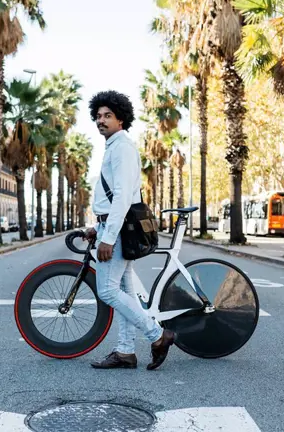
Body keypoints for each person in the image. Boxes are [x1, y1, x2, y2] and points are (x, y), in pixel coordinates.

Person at [83, 90, 175, 370]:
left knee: (108, 292)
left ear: (120, 119)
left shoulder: (121, 147)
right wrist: (97, 227)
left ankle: (158, 335)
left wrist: (107, 237)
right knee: (124, 290)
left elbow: (122, 196)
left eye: (107, 115)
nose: (101, 120)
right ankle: (125, 351)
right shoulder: (113, 146)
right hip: (112, 225)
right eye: (98, 116)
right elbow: (111, 196)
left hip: (119, 230)